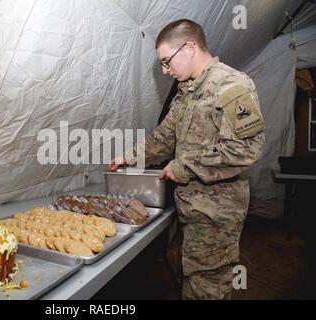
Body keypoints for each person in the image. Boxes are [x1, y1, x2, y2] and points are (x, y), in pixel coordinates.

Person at [108, 19, 265, 299]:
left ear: (190, 47)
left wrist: (182, 166)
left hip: (217, 215)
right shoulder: (187, 91)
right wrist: (129, 156)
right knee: (191, 279)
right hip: (192, 210)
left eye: (167, 61)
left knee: (208, 288)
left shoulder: (231, 85)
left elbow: (245, 150)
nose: (165, 70)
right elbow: (165, 137)